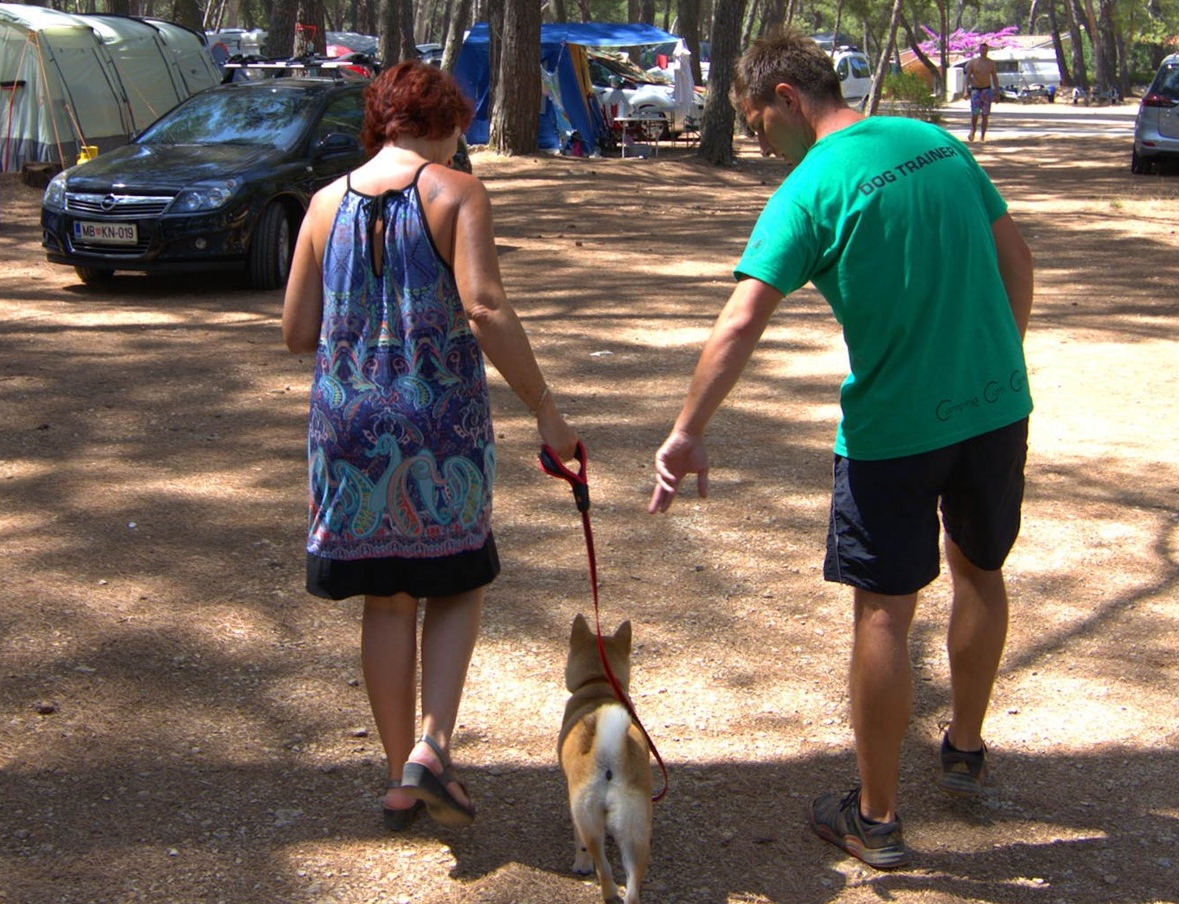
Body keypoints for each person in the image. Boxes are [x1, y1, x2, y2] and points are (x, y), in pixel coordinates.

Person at [646, 30, 1033, 869]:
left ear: (786, 98)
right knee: (979, 570)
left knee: (886, 610)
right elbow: (1017, 259)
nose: (761, 146)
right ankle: (964, 749)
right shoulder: (934, 142)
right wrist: (1004, 358)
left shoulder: (808, 188)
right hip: (997, 408)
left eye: (757, 127)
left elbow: (742, 319)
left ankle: (878, 817)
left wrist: (687, 431)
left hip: (894, 432)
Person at [282, 61, 579, 832]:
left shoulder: (321, 205)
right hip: (437, 423)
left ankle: (396, 779)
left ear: (381, 124)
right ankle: (433, 747)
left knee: (385, 600)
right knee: (453, 582)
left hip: (345, 427)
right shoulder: (457, 192)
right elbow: (483, 306)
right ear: (444, 123)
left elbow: (296, 333)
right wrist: (546, 409)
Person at [963, 43, 1000, 141]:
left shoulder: (991, 63)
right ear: (979, 50)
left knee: (985, 114)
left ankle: (983, 136)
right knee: (975, 114)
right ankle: (973, 131)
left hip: (987, 90)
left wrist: (997, 93)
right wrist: (966, 90)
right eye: (982, 49)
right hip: (976, 90)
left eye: (986, 50)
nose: (984, 51)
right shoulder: (973, 62)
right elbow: (967, 77)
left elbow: (995, 78)